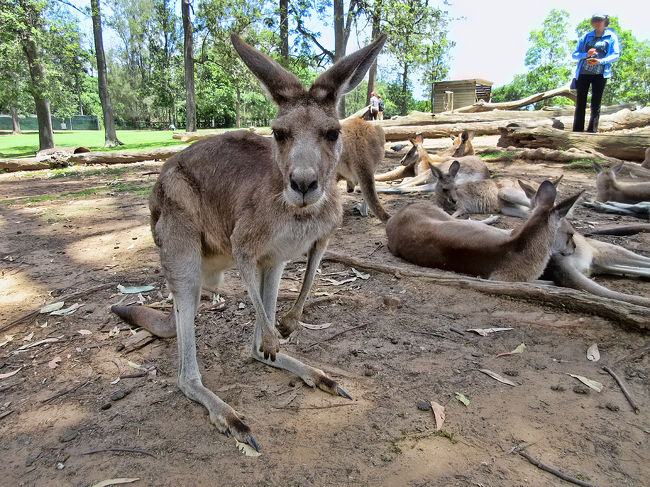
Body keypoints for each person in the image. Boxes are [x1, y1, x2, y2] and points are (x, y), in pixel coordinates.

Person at [571, 13, 620, 133]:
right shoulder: (586, 37)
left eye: (600, 21)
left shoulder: (611, 37)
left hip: (600, 75)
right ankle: (577, 130)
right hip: (583, 74)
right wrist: (585, 55)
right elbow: (575, 54)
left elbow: (615, 54)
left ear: (605, 22)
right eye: (595, 21)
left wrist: (601, 61)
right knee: (580, 102)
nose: (597, 23)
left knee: (596, 103)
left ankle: (592, 131)